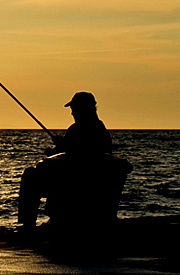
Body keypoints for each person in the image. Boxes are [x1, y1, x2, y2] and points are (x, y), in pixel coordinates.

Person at [18, 91, 115, 230]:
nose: (72, 113)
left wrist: (61, 146)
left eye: (74, 109)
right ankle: (54, 220)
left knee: (30, 175)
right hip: (82, 181)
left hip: (76, 181)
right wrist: (57, 150)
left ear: (83, 108)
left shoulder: (81, 129)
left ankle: (29, 225)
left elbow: (78, 156)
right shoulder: (100, 129)